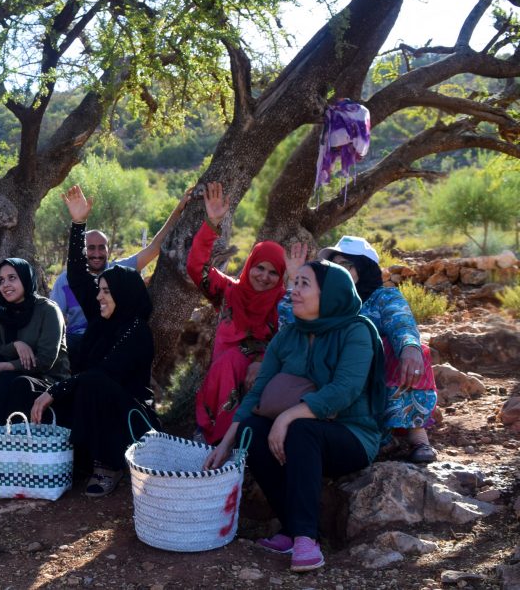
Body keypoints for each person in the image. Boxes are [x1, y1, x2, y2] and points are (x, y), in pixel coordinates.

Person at [204, 260, 386, 573]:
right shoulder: (289, 336)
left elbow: (345, 389)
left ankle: (306, 538)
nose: (293, 291)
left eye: (304, 284)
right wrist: (227, 442)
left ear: (329, 293)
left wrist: (286, 417)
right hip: (305, 432)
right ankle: (290, 528)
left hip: (351, 433)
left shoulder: (356, 331)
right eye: (294, 282)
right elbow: (258, 392)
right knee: (252, 429)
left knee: (302, 429)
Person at [28, 185, 161, 496]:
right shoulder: (103, 319)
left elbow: (104, 376)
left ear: (123, 295)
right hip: (99, 402)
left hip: (131, 418)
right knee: (66, 386)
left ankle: (109, 465)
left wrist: (56, 390)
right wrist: (78, 226)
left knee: (92, 383)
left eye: (105, 291)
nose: (98, 297)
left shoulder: (135, 331)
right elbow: (77, 275)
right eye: (98, 290)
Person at [281, 236, 438, 463]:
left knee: (413, 351)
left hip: (374, 370)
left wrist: (409, 346)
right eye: (333, 265)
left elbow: (400, 321)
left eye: (345, 264)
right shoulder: (323, 301)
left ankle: (418, 437)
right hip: (335, 373)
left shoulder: (383, 297)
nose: (338, 270)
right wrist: (295, 280)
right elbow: (288, 327)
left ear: (363, 268)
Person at [187, 182, 287, 444]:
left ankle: (231, 441)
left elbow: (289, 338)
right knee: (229, 361)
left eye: (273, 272)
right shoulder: (229, 291)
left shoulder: (284, 301)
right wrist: (211, 224)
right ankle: (213, 437)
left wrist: (261, 361)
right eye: (259, 268)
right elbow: (197, 267)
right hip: (223, 376)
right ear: (249, 265)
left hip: (266, 373)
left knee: (233, 361)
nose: (264, 277)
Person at [0, 257, 70, 495]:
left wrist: (6, 366)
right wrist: (16, 344)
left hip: (49, 380)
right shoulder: (2, 315)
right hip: (16, 377)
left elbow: (45, 362)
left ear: (25, 279)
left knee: (8, 379)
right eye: (1, 280)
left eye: (12, 278)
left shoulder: (48, 310)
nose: (6, 285)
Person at [49, 189, 188, 354]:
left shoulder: (118, 273)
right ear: (83, 250)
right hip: (77, 341)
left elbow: (154, 248)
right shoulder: (66, 280)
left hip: (111, 338)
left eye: (102, 248)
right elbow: (54, 320)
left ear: (108, 249)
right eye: (90, 248)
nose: (96, 253)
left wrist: (178, 210)